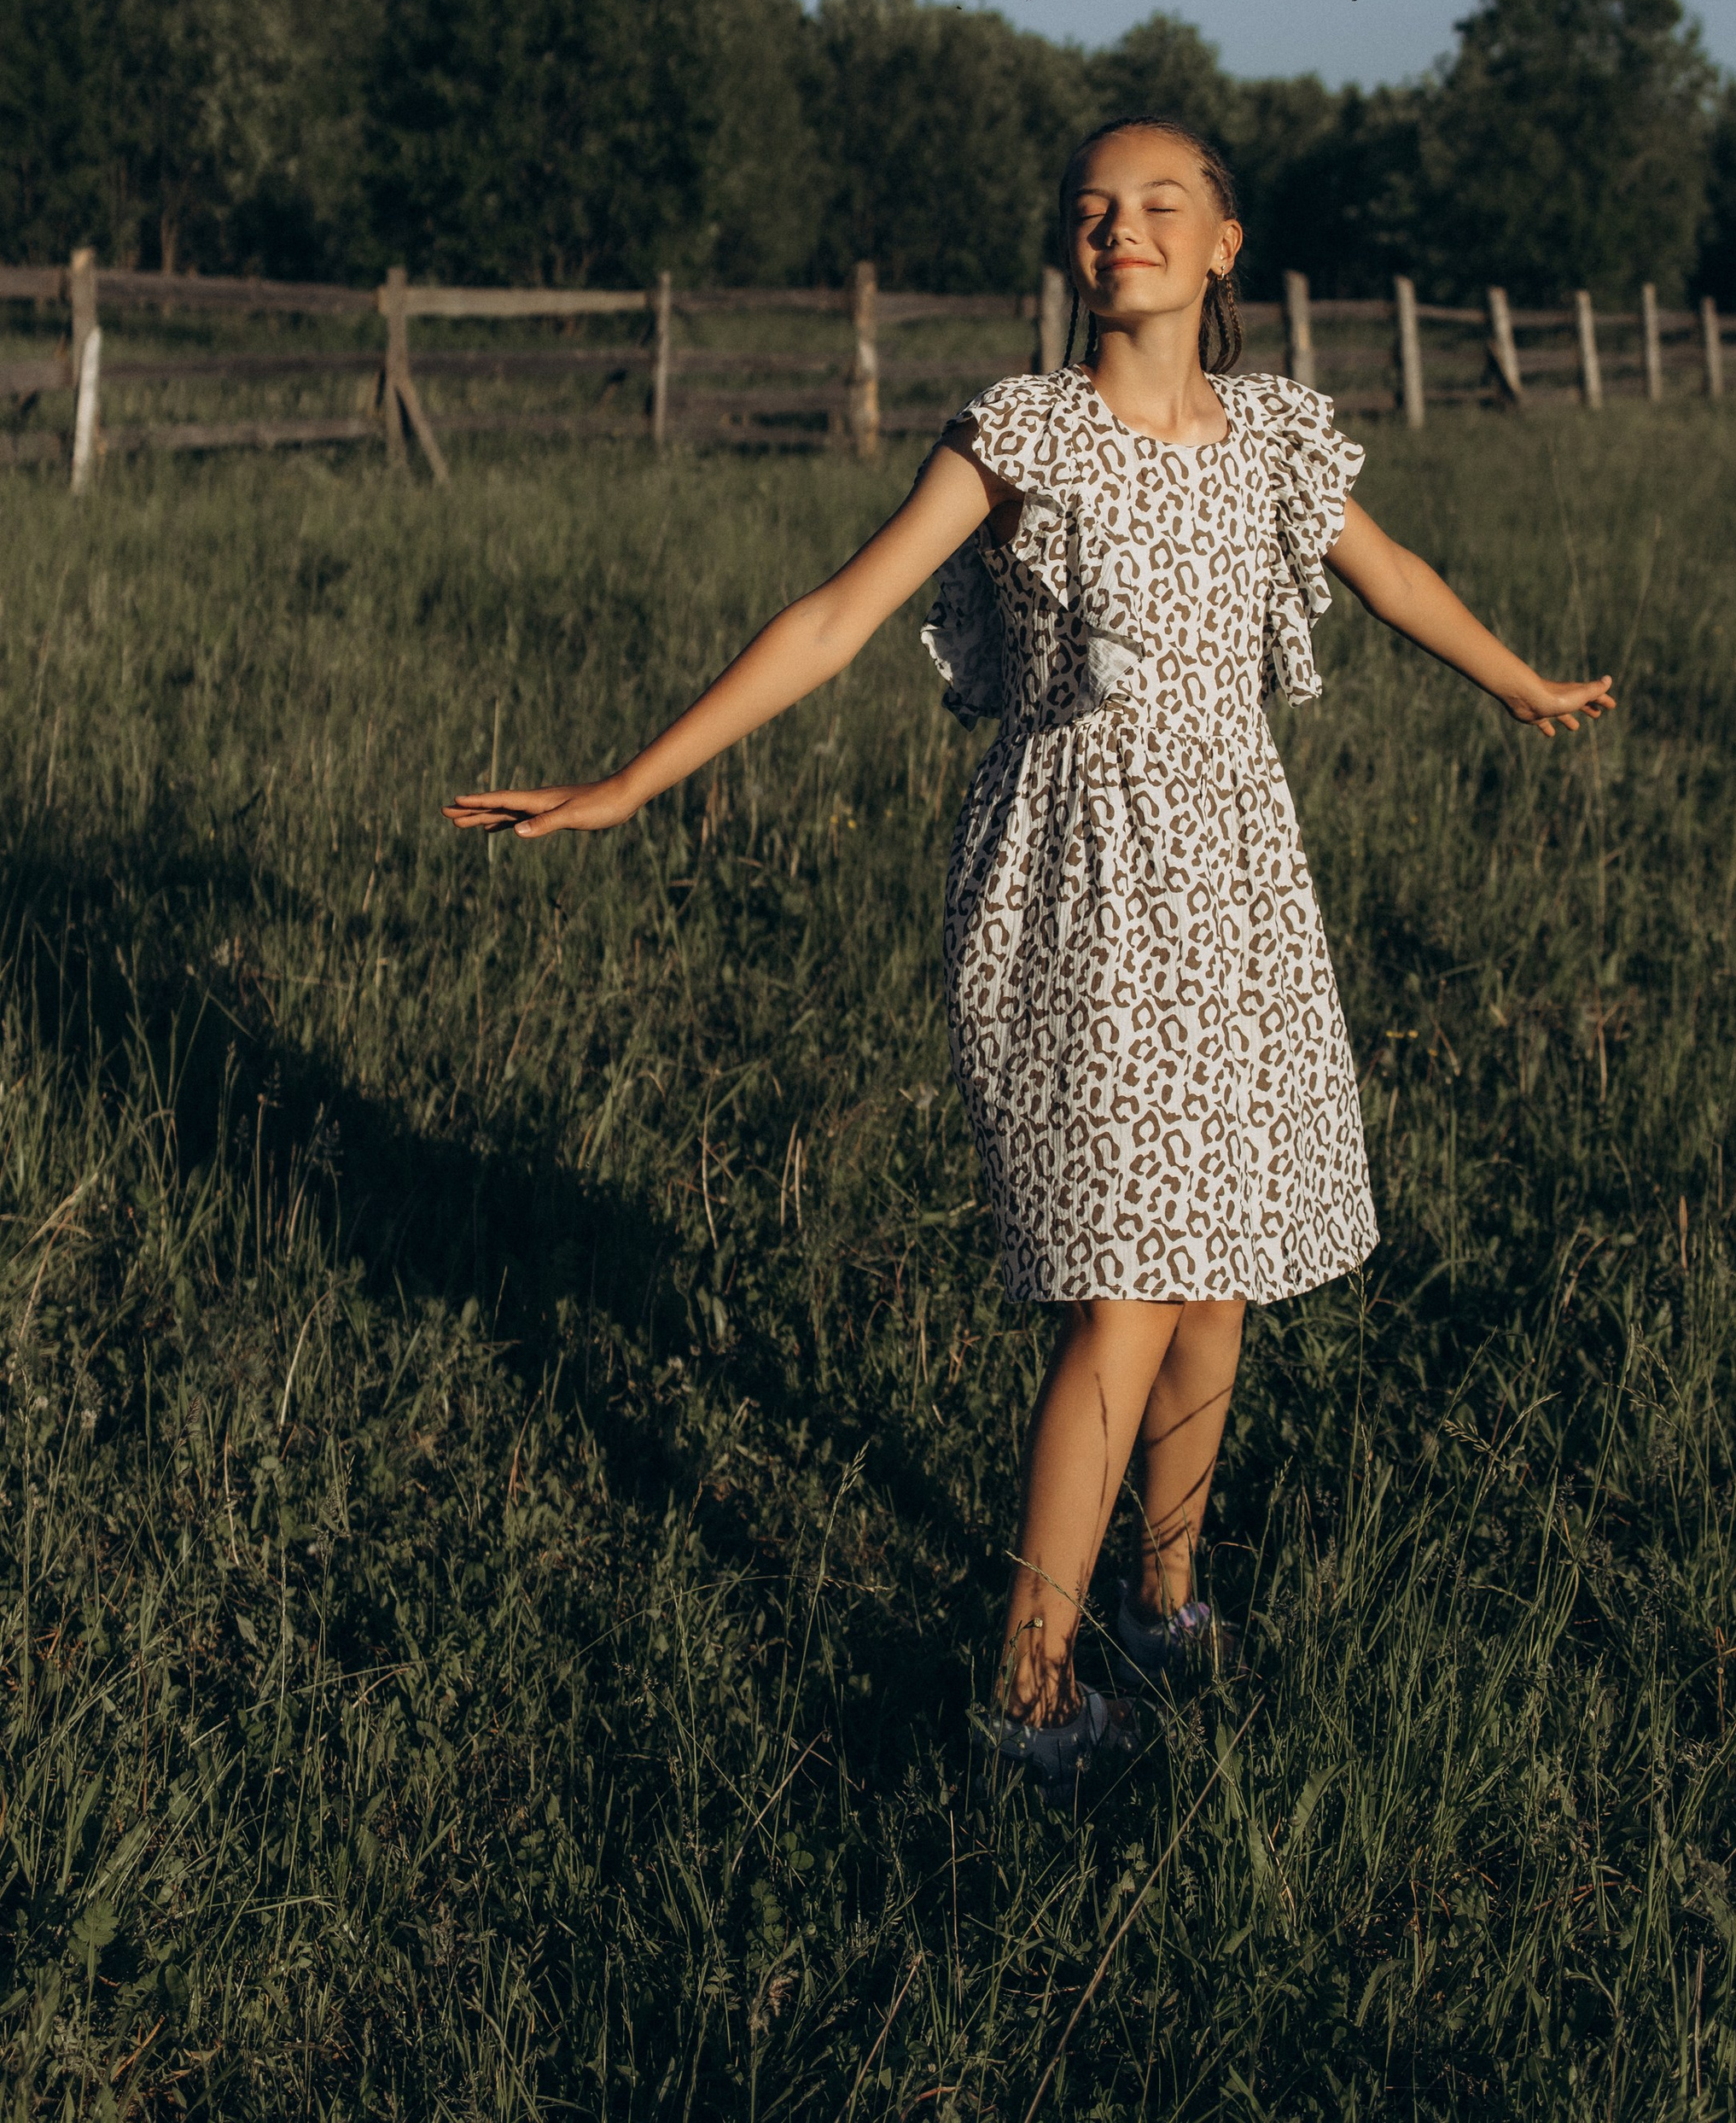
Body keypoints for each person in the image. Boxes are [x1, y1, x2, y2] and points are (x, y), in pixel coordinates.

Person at [447, 118, 1613, 1790]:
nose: (1118, 228)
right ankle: (1031, 1689)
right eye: (1091, 208)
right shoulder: (1022, 434)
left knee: (1215, 1280)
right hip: (1073, 880)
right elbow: (835, 616)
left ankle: (1164, 1600)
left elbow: (1392, 576)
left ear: (1223, 245)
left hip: (1236, 886)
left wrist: (1514, 682)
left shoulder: (1275, 438)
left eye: (1159, 205)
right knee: (1125, 1285)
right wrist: (631, 781)